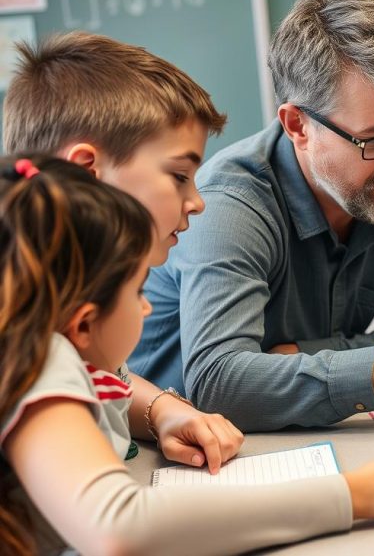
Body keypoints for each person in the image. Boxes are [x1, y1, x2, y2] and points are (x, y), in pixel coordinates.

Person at [0, 158, 374, 556]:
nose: (147, 306)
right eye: (137, 290)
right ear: (81, 324)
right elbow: (121, 528)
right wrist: (356, 495)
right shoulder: (42, 363)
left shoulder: (46, 342)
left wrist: (162, 411)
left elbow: (113, 381)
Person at [127, 0, 374, 432]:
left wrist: (308, 352)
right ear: (298, 125)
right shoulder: (229, 202)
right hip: (186, 451)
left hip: (320, 434)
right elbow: (218, 381)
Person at [3, 31, 243, 469]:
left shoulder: (68, 293)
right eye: (177, 175)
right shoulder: (31, 340)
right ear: (85, 173)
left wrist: (162, 411)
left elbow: (108, 382)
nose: (198, 201)